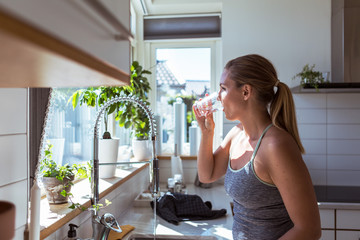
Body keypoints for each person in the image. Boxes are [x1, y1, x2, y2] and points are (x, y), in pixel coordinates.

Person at [193, 54, 321, 240]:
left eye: (223, 88)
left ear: (246, 92)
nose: (218, 97)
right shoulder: (237, 133)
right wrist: (206, 133)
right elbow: (207, 175)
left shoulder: (276, 146)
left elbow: (309, 230)